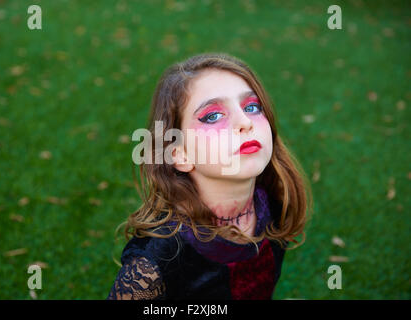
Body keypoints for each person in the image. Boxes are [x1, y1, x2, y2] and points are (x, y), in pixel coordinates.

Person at [107, 52, 313, 300]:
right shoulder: (158, 257)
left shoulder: (274, 202)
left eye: (252, 106)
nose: (245, 121)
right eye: (213, 115)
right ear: (180, 155)